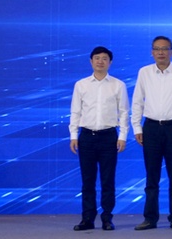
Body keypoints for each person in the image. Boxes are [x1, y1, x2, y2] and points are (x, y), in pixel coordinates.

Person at [131, 36, 172, 231]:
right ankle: (150, 218)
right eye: (157, 49)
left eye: (165, 49)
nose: (161, 52)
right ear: (152, 52)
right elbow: (137, 101)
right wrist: (137, 127)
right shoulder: (144, 72)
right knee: (152, 176)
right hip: (151, 128)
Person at [69, 46, 129, 231]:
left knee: (107, 180)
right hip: (86, 137)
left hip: (109, 137)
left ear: (110, 62)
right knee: (87, 181)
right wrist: (73, 135)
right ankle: (87, 218)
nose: (100, 61)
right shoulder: (81, 85)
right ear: (91, 61)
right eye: (97, 58)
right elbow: (75, 112)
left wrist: (123, 136)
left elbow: (124, 112)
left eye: (104, 58)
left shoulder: (118, 85)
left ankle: (107, 218)